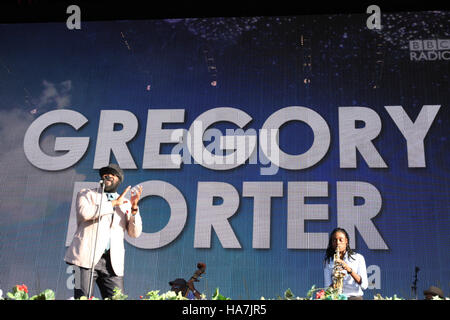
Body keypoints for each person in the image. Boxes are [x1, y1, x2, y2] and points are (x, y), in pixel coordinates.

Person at [64, 164, 143, 299]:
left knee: (117, 297)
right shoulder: (86, 194)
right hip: (83, 258)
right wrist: (112, 204)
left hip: (112, 262)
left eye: (112, 174)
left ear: (119, 179)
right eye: (105, 174)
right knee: (82, 297)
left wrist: (134, 209)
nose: (108, 176)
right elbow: (84, 213)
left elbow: (134, 233)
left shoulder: (125, 203)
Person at [323, 228, 368, 300]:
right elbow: (326, 289)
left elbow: (364, 285)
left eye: (341, 240)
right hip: (336, 297)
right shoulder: (328, 261)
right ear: (332, 243)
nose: (338, 243)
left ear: (346, 241)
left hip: (354, 297)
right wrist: (336, 279)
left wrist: (349, 269)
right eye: (334, 240)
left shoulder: (358, 258)